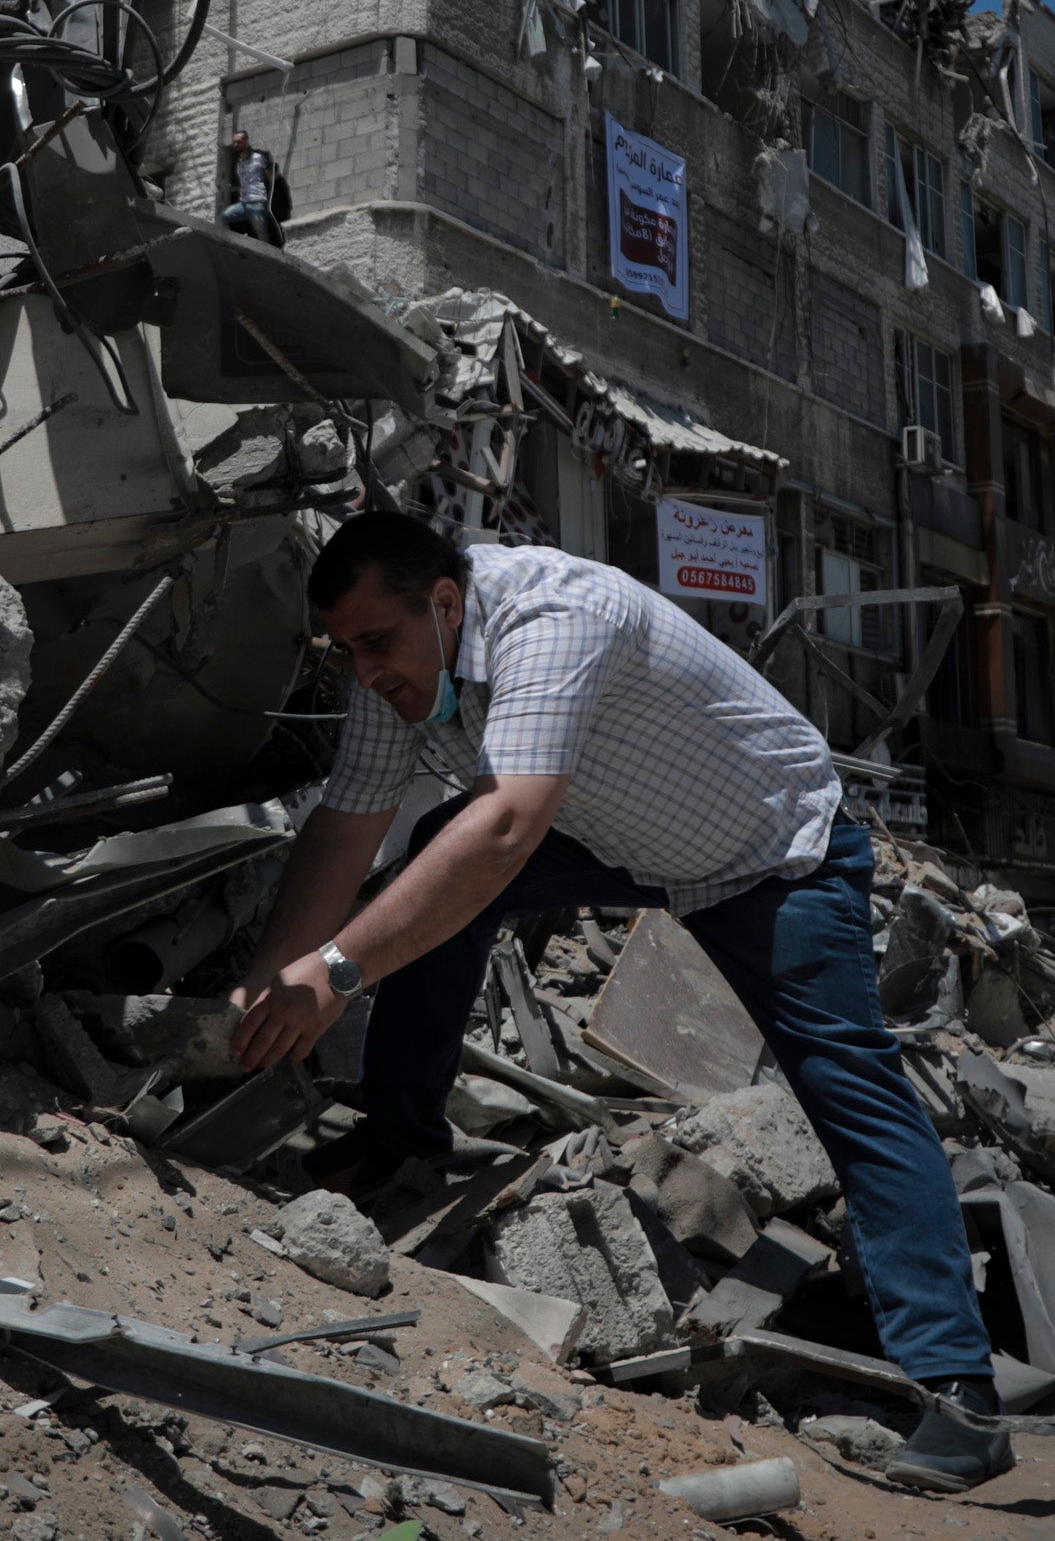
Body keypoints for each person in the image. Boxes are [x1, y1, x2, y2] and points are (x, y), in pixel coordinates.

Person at [227, 510, 1012, 1493]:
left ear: (443, 602)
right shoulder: (397, 674)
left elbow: (509, 825)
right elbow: (344, 830)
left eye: (377, 642)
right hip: (622, 832)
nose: (366, 670)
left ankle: (960, 1394)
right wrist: (272, 977)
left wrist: (336, 973)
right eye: (346, 649)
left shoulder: (555, 615)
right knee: (437, 861)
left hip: (775, 853)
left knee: (847, 1082)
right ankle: (401, 1138)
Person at [221, 129, 288, 247]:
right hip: (244, 204)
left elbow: (269, 177)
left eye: (239, 142)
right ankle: (231, 244)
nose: (235, 144)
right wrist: (230, 189)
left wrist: (276, 175)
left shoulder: (258, 158)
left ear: (246, 142)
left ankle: (269, 256)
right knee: (224, 216)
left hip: (256, 204)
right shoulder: (240, 164)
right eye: (234, 142)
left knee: (262, 236)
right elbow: (244, 186)